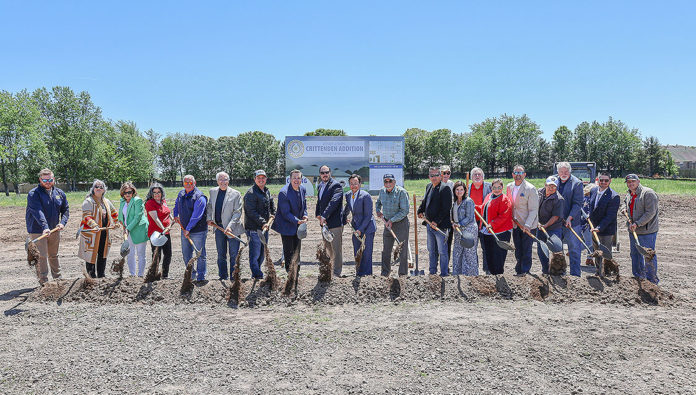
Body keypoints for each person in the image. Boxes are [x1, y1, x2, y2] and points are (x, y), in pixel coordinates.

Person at [25, 168, 69, 285]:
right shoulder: (34, 194)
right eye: (45, 180)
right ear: (40, 180)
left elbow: (65, 210)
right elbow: (37, 211)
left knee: (54, 255)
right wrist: (44, 226)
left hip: (54, 229)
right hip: (38, 230)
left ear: (53, 179)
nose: (48, 182)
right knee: (42, 256)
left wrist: (62, 223)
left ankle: (58, 279)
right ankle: (44, 282)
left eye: (50, 179)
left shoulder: (59, 193)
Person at [207, 172, 243, 280]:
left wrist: (230, 226)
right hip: (218, 228)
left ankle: (234, 277)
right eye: (221, 180)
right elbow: (209, 206)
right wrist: (209, 218)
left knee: (234, 255)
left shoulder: (236, 194)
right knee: (221, 254)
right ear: (217, 181)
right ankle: (222, 276)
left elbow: (237, 212)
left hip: (233, 229)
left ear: (228, 181)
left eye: (225, 179)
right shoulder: (213, 192)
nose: (223, 182)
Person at [79, 179, 119, 278]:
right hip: (92, 234)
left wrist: (117, 222)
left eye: (101, 187)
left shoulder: (107, 202)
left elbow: (114, 213)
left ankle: (101, 275)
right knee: (91, 255)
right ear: (93, 189)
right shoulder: (88, 201)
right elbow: (86, 216)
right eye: (96, 187)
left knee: (103, 253)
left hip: (104, 232)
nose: (99, 188)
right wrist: (94, 225)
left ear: (104, 190)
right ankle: (91, 277)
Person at [624, 174, 659, 283]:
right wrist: (623, 209)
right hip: (633, 230)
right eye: (628, 182)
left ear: (638, 181)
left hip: (647, 231)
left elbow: (650, 212)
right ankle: (638, 278)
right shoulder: (629, 193)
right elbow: (625, 204)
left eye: (633, 181)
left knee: (648, 255)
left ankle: (652, 281)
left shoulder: (648, 193)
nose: (631, 184)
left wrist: (638, 223)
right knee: (635, 254)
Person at [417, 167, 452, 276]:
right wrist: (420, 210)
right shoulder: (429, 186)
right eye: (432, 175)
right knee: (431, 251)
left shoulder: (445, 189)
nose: (434, 177)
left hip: (440, 227)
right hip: (429, 225)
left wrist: (436, 221)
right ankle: (432, 272)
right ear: (429, 177)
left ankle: (444, 274)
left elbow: (446, 208)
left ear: (440, 176)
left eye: (436, 175)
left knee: (442, 252)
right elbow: (425, 201)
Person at [272, 169, 308, 273]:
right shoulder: (284, 193)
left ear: (301, 179)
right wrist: (298, 221)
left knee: (297, 250)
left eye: (298, 178)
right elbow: (285, 213)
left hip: (298, 226)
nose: (296, 180)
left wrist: (305, 215)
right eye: (294, 178)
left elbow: (304, 206)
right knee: (288, 253)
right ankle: (289, 274)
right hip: (287, 227)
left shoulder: (302, 189)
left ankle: (296, 273)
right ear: (290, 179)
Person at [505, 165, 539, 276]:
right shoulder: (509, 187)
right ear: (512, 174)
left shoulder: (530, 189)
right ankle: (519, 269)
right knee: (518, 249)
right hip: (516, 224)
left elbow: (533, 210)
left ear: (524, 175)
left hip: (527, 225)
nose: (518, 175)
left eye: (520, 173)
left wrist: (528, 224)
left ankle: (525, 271)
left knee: (526, 249)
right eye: (516, 173)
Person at [174, 175, 208, 282]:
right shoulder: (181, 194)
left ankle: (201, 276)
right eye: (186, 183)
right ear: (183, 184)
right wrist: (175, 215)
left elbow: (196, 216)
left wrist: (188, 229)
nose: (188, 185)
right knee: (186, 253)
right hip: (185, 229)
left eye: (190, 183)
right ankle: (191, 274)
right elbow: (176, 204)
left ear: (195, 183)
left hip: (198, 230)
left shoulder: (200, 197)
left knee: (200, 254)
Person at [375, 173, 410, 276]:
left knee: (402, 250)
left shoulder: (401, 193)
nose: (388, 183)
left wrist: (392, 220)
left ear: (394, 182)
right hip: (387, 223)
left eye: (390, 181)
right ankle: (385, 273)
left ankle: (402, 274)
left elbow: (404, 211)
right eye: (386, 181)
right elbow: (378, 203)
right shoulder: (382, 191)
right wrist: (378, 210)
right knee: (386, 250)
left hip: (400, 223)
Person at [244, 169, 276, 279]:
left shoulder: (266, 191)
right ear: (255, 179)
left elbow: (271, 205)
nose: (261, 180)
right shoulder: (251, 193)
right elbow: (251, 212)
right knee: (255, 253)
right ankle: (257, 275)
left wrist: (273, 213)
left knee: (262, 253)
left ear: (266, 179)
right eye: (259, 178)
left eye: (263, 178)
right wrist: (263, 222)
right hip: (254, 229)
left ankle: (257, 272)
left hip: (264, 228)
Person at [342, 174, 376, 276]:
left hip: (367, 228)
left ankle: (367, 276)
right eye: (351, 184)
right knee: (357, 251)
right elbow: (347, 209)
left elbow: (368, 215)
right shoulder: (348, 195)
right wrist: (344, 218)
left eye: (356, 183)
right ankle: (359, 272)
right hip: (355, 227)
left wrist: (360, 229)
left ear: (360, 184)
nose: (353, 186)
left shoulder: (365, 196)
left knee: (366, 253)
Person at [554, 161, 584, 277]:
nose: (564, 173)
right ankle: (559, 272)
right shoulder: (553, 181)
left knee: (574, 249)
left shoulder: (576, 184)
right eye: (561, 171)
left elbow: (577, 204)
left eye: (566, 171)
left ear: (570, 171)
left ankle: (575, 275)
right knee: (557, 249)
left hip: (571, 222)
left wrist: (569, 218)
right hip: (555, 222)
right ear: (558, 172)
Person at [478, 179, 513, 275]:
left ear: (502, 187)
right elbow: (484, 208)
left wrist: (493, 224)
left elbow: (504, 216)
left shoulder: (504, 200)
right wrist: (474, 206)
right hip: (487, 231)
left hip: (500, 232)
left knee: (498, 256)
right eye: (494, 187)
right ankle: (491, 275)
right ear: (491, 188)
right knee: (489, 254)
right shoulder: (489, 196)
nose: (497, 189)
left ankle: (498, 275)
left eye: (499, 187)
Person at [588, 172, 620, 275]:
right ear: (598, 180)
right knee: (597, 251)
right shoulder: (593, 191)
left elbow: (610, 216)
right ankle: (598, 271)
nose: (603, 182)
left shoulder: (614, 196)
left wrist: (599, 228)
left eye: (606, 180)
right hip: (594, 228)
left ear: (610, 181)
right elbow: (592, 207)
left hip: (606, 230)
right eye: (601, 180)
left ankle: (607, 272)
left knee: (605, 252)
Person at [315, 165, 344, 276]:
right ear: (320, 174)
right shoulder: (320, 186)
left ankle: (336, 272)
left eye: (326, 172)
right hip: (325, 224)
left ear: (330, 173)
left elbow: (334, 202)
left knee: (336, 249)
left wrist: (324, 216)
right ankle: (329, 271)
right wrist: (318, 214)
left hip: (335, 223)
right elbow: (320, 201)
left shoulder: (336, 185)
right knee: (327, 248)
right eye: (322, 173)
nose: (325, 174)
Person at [118, 182, 149, 277]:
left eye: (129, 192)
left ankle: (140, 275)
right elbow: (121, 215)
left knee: (140, 254)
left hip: (139, 229)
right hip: (128, 230)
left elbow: (137, 217)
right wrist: (122, 224)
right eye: (125, 192)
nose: (127, 194)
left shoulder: (137, 200)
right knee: (130, 253)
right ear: (122, 193)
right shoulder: (122, 201)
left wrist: (128, 228)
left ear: (133, 192)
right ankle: (132, 274)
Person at [536, 176, 565, 274]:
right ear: (545, 185)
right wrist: (537, 222)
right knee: (541, 250)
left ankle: (559, 271)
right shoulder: (539, 192)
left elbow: (555, 216)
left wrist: (545, 225)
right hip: (539, 226)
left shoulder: (559, 199)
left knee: (556, 250)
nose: (551, 188)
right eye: (549, 186)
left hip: (553, 228)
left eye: (554, 186)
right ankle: (545, 270)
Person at [144, 183, 173, 279]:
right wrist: (164, 229)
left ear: (161, 192)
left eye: (159, 192)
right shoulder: (149, 203)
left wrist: (173, 219)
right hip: (156, 233)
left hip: (166, 232)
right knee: (157, 255)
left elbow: (167, 212)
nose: (157, 194)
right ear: (151, 193)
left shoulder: (163, 201)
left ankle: (165, 275)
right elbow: (156, 219)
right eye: (154, 192)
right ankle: (154, 274)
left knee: (168, 254)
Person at [451, 181, 478, 275]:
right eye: (457, 189)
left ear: (465, 190)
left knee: (469, 253)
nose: (459, 191)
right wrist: (453, 223)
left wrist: (460, 224)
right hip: (458, 230)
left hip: (469, 230)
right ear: (454, 191)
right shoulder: (454, 202)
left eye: (461, 189)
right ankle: (457, 274)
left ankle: (471, 276)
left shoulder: (468, 201)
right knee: (457, 252)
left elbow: (469, 217)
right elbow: (453, 216)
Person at [468, 167, 492, 274]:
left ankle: (487, 270)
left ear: (483, 176)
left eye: (479, 174)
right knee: (472, 247)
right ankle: (474, 270)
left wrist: (478, 208)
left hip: (485, 221)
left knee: (486, 246)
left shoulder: (489, 187)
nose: (477, 176)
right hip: (471, 222)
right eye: (475, 175)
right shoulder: (467, 188)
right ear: (471, 177)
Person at [441, 165, 455, 260]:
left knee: (448, 241)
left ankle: (446, 263)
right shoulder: (436, 183)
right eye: (444, 173)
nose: (446, 175)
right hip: (439, 218)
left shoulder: (452, 184)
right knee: (439, 242)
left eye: (448, 173)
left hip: (450, 217)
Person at [581, 183, 596, 266]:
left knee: (591, 241)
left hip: (591, 223)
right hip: (586, 223)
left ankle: (589, 259)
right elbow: (585, 211)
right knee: (589, 243)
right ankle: (575, 250)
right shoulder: (587, 199)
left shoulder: (590, 198)